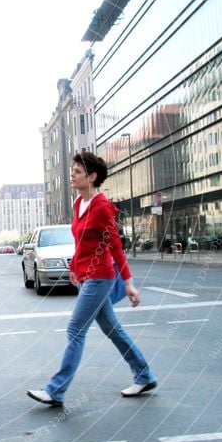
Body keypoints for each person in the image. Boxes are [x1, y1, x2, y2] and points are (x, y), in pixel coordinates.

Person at [27, 151, 157, 407]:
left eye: (77, 172)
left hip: (100, 277)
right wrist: (74, 267)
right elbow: (80, 242)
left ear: (92, 176)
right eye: (72, 171)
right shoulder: (79, 204)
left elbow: (115, 246)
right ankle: (144, 375)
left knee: (76, 329)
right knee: (112, 329)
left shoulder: (101, 208)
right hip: (86, 275)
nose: (72, 176)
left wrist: (128, 282)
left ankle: (56, 390)